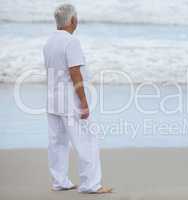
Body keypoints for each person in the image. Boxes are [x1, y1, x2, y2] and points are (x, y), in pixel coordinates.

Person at [43, 4, 112, 194]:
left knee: (57, 142)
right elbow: (74, 72)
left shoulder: (49, 42)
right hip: (69, 100)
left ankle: (59, 181)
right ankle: (91, 184)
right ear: (72, 20)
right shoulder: (71, 42)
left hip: (52, 99)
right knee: (87, 140)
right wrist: (83, 102)